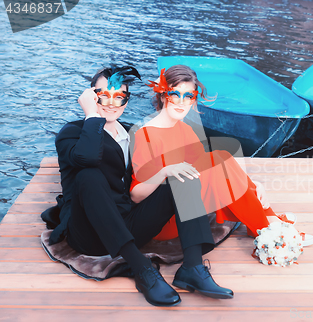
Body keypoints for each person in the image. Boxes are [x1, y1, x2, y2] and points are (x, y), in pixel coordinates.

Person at [50, 65, 233, 307]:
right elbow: (88, 158)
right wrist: (92, 115)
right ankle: (143, 269)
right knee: (88, 176)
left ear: (126, 101)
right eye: (103, 95)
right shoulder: (72, 132)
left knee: (181, 175)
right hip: (88, 233)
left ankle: (193, 268)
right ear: (92, 97)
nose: (111, 103)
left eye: (120, 96)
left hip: (129, 223)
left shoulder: (131, 132)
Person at [130, 65, 313, 246]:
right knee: (218, 158)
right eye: (174, 94)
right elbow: (136, 196)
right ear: (163, 95)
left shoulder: (184, 128)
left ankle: (266, 219)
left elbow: (208, 172)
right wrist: (164, 171)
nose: (181, 102)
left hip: (187, 206)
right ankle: (269, 227)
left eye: (188, 96)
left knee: (219, 158)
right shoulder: (146, 135)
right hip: (163, 220)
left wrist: (251, 185)